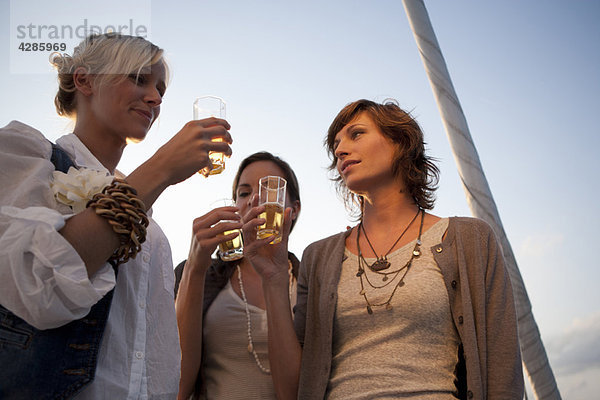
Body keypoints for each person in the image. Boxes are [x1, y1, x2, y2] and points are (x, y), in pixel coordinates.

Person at [0, 33, 232, 399]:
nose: (155, 99)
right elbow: (37, 281)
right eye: (139, 79)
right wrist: (162, 169)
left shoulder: (152, 227)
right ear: (84, 80)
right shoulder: (27, 157)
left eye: (160, 90)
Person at [241, 99, 524, 399]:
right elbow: (291, 390)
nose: (340, 150)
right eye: (336, 145)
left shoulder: (471, 239)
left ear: (400, 141)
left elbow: (502, 371)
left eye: (356, 134)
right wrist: (273, 277)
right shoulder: (318, 258)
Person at [174, 151, 301, 400]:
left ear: (293, 209)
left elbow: (299, 392)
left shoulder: (310, 279)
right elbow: (175, 385)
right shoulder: (203, 274)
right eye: (244, 193)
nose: (254, 199)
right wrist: (194, 269)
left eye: (269, 190)